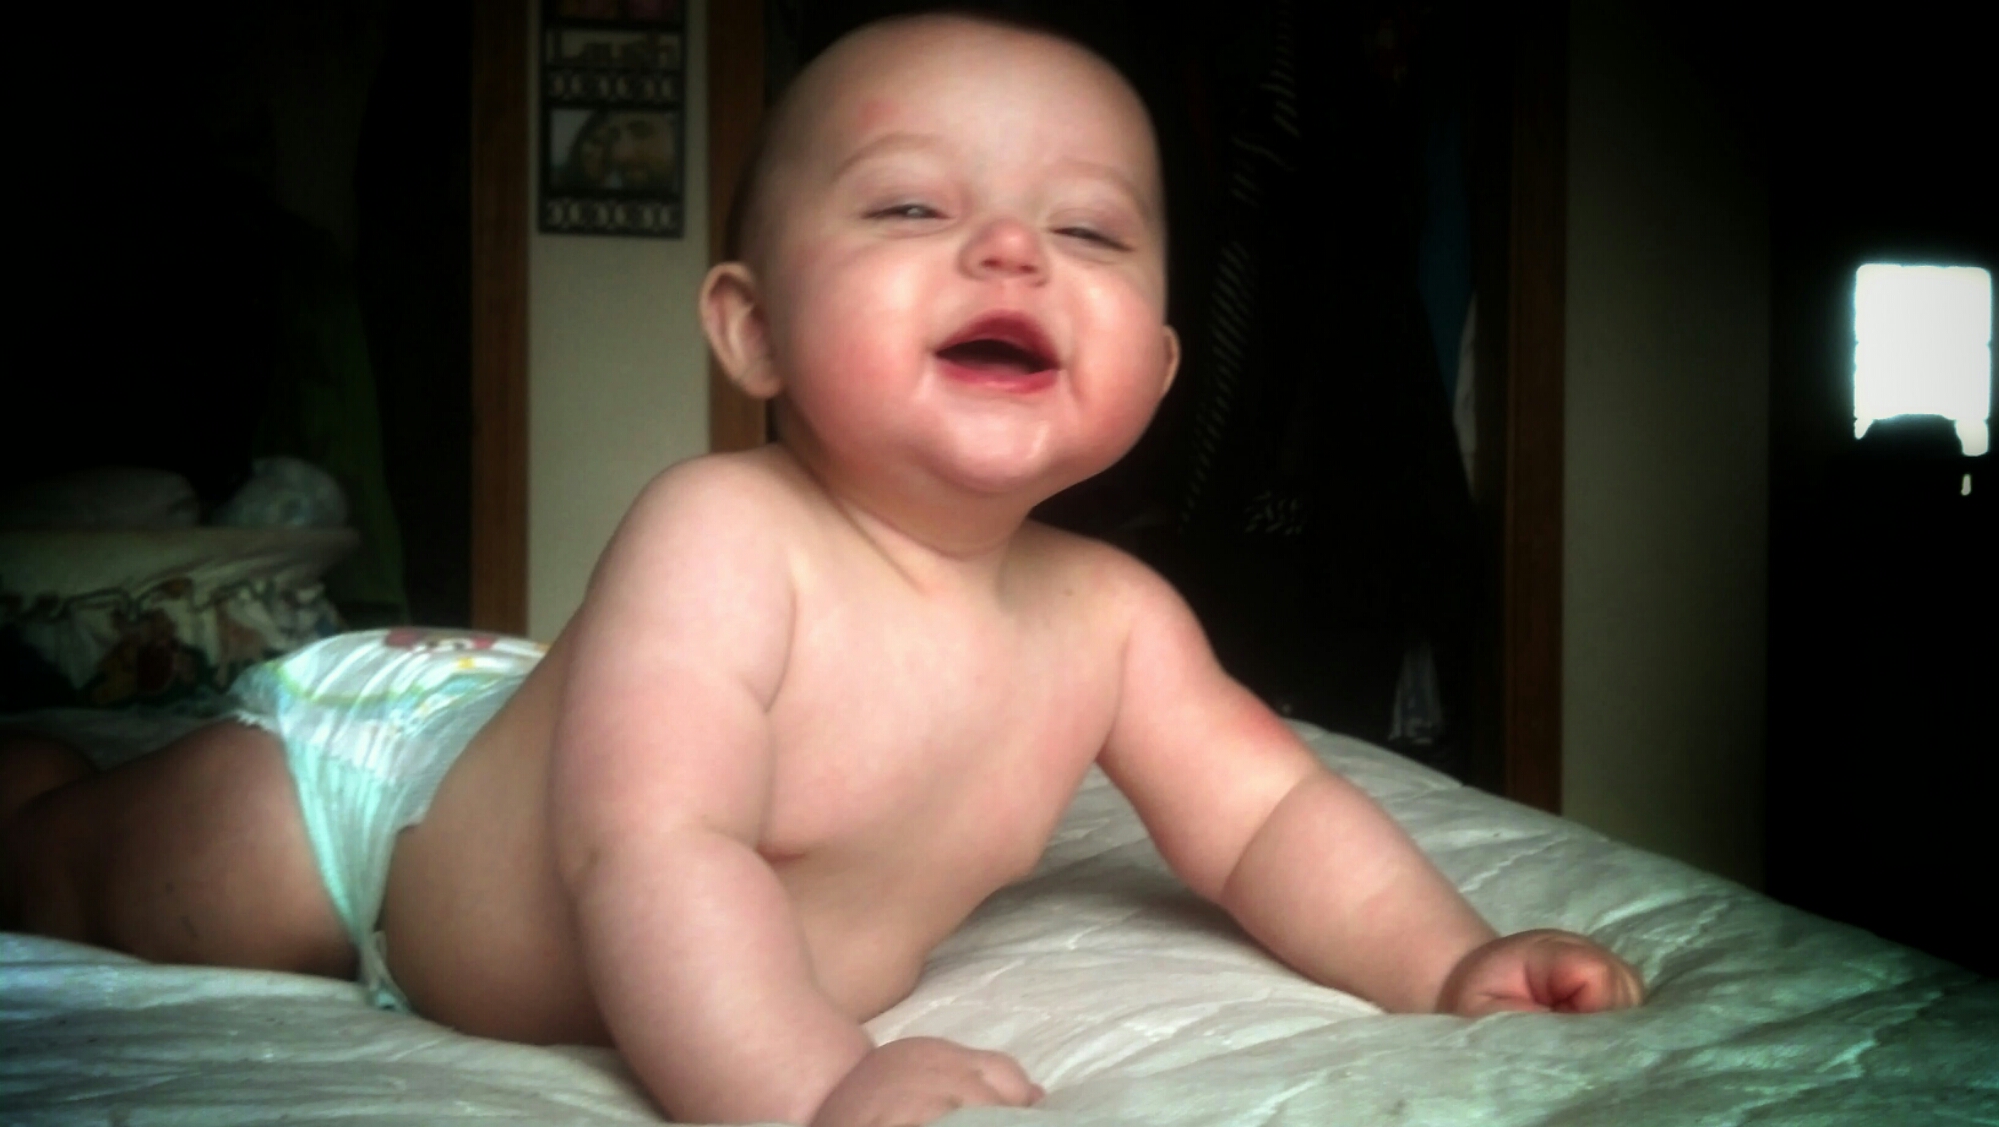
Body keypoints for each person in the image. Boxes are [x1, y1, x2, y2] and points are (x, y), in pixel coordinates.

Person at [0, 13, 1644, 1126]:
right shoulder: (723, 536)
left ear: (1154, 371)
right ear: (753, 328)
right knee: (92, 883)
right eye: (911, 205)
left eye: (1087, 231)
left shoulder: (1116, 621)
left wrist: (1444, 961)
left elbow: (1274, 817)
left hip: (534, 739)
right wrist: (809, 1092)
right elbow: (653, 847)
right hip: (378, 814)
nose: (1010, 250)